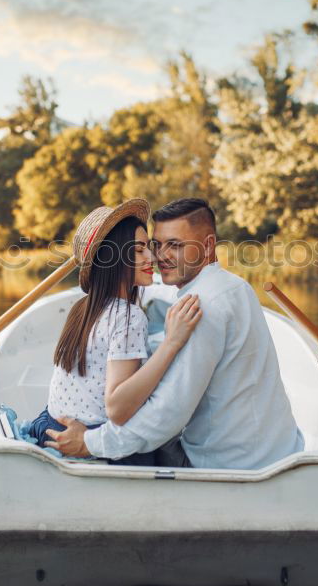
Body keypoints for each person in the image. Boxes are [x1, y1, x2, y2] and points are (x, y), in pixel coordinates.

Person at [45, 198, 305, 470]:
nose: (159, 256)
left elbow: (167, 413)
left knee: (148, 441)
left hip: (229, 464)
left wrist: (90, 442)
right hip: (278, 447)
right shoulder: (235, 286)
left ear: (207, 246)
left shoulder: (200, 307)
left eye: (175, 246)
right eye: (156, 245)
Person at [25, 198, 203, 465]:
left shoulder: (82, 308)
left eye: (149, 248)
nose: (152, 257)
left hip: (47, 426)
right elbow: (118, 409)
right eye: (138, 250)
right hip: (86, 440)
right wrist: (172, 342)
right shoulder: (129, 317)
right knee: (171, 448)